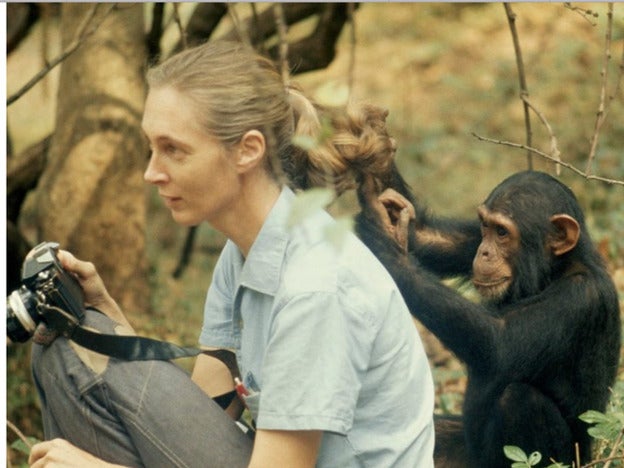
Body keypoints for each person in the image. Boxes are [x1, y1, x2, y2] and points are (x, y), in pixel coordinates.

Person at [27, 40, 435, 468]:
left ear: (247, 149)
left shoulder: (315, 287)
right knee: (68, 337)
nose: (151, 172)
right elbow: (201, 416)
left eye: (173, 149)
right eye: (151, 147)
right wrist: (109, 318)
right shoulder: (244, 250)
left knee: (77, 357)